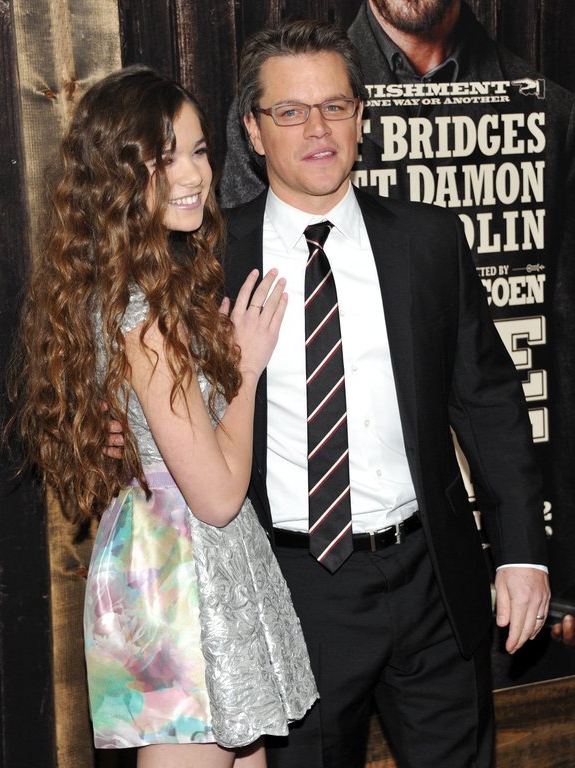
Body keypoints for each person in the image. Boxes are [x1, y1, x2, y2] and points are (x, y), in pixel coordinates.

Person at [220, 18, 550, 768]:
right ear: (254, 130)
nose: (318, 129)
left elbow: (490, 403)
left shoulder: (427, 240)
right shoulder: (209, 258)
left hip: (432, 577)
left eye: (335, 106)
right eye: (290, 111)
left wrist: (524, 555)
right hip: (291, 588)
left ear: (361, 117)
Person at [7, 65, 317, 768]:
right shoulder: (145, 318)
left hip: (184, 566)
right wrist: (246, 369)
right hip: (182, 583)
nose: (192, 174)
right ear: (117, 178)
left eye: (199, 150)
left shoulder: (135, 290)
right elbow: (217, 497)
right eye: (162, 158)